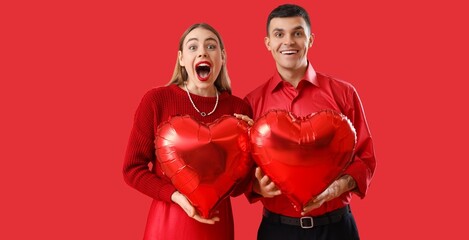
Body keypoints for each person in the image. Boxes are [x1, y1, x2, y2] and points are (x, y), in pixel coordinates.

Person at [243, 4, 376, 240]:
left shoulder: (344, 93)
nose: (288, 42)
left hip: (336, 228)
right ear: (267, 43)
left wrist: (337, 188)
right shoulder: (251, 103)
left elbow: (365, 158)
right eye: (279, 34)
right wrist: (255, 187)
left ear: (310, 39)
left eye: (297, 33)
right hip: (277, 230)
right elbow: (240, 169)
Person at [123, 23, 252, 240]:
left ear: (222, 56)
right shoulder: (156, 101)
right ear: (182, 59)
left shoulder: (238, 110)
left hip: (218, 225)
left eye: (210, 46)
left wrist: (253, 141)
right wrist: (175, 196)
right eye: (193, 47)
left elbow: (240, 186)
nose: (202, 51)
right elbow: (132, 169)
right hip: (168, 222)